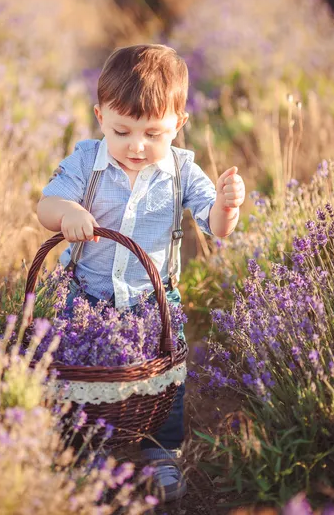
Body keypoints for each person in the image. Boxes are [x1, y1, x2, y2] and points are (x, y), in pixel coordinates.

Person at [36, 44, 245, 502]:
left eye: (153, 133)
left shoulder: (182, 171)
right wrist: (67, 212)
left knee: (164, 375)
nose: (136, 145)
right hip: (88, 294)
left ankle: (160, 452)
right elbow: (45, 205)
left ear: (179, 126)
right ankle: (88, 447)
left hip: (154, 298)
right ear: (99, 116)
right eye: (122, 130)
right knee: (86, 375)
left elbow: (216, 228)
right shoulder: (85, 162)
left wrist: (228, 207)